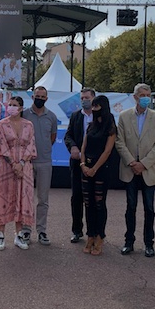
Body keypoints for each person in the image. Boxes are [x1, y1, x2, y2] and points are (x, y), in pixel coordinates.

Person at [115, 84, 155, 257]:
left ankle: (149, 243)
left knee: (149, 209)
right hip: (130, 170)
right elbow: (119, 142)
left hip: (149, 170)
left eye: (148, 95)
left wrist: (143, 164)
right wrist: (132, 162)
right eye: (143, 95)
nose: (146, 98)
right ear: (135, 97)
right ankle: (128, 242)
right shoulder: (123, 116)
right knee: (130, 207)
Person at [0, 96, 37, 250]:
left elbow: (32, 145)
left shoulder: (29, 125)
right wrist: (13, 164)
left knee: (22, 199)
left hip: (25, 168)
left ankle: (18, 236)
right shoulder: (2, 124)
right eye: (9, 104)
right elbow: (1, 145)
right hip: (6, 166)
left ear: (21, 108)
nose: (11, 107)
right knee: (4, 197)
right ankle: (1, 235)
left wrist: (22, 163)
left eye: (15, 105)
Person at [80, 95, 117, 256]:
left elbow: (108, 151)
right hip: (86, 169)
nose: (93, 109)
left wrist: (94, 168)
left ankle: (100, 236)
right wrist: (83, 164)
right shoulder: (90, 126)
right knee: (88, 204)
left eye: (96, 106)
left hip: (101, 169)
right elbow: (83, 147)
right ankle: (90, 235)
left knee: (99, 203)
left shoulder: (110, 127)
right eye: (92, 106)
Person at [22, 86, 57, 245]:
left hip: (44, 162)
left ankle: (41, 231)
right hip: (27, 162)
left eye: (43, 96)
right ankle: (26, 231)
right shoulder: (24, 115)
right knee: (26, 198)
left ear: (47, 99)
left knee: (43, 199)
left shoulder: (52, 116)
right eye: (38, 95)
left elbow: (52, 137)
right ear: (32, 96)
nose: (40, 98)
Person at [63, 87, 96, 243]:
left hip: (96, 164)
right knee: (77, 197)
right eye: (82, 98)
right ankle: (77, 230)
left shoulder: (101, 117)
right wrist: (73, 147)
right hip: (77, 164)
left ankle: (94, 231)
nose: (84, 100)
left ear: (94, 98)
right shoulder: (76, 116)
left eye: (87, 97)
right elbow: (68, 135)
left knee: (95, 199)